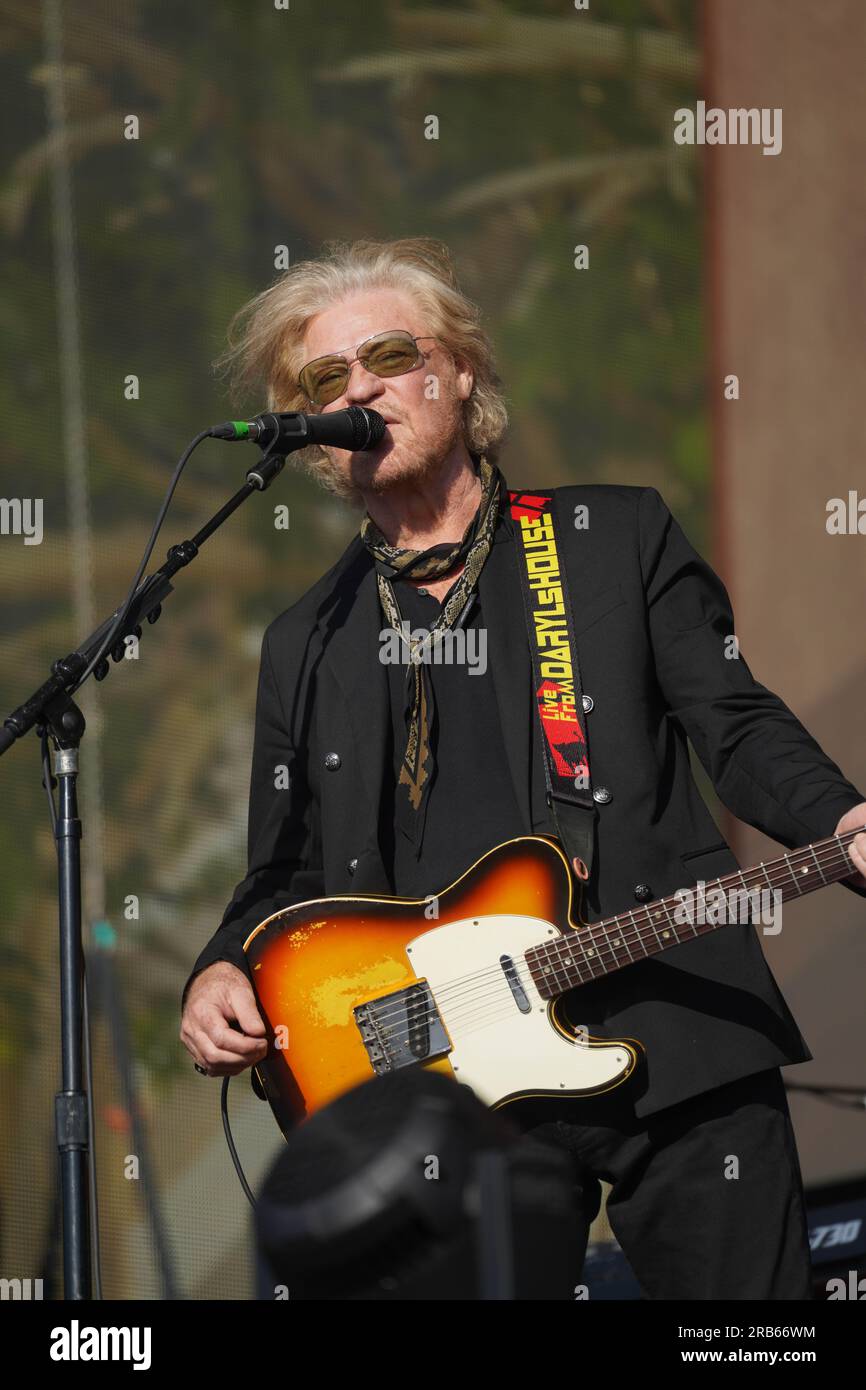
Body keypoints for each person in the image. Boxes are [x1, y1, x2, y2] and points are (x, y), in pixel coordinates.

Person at [179, 236, 866, 1299]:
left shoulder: (607, 539)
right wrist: (222, 965)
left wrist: (839, 814)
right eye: (325, 379)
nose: (357, 387)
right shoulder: (306, 637)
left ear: (457, 370)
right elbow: (284, 863)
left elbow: (732, 722)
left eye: (389, 355)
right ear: (311, 434)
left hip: (670, 1026)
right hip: (446, 1091)